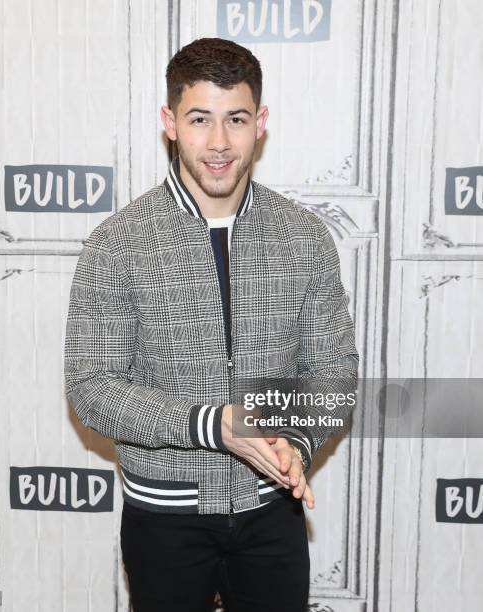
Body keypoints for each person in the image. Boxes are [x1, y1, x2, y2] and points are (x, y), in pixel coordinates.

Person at [64, 37, 358, 612]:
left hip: (272, 508)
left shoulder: (303, 236)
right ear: (169, 121)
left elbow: (334, 371)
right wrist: (213, 425)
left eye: (236, 119)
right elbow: (93, 389)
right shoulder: (116, 243)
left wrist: (295, 441)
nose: (219, 143)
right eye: (200, 119)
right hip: (163, 521)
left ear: (261, 122)